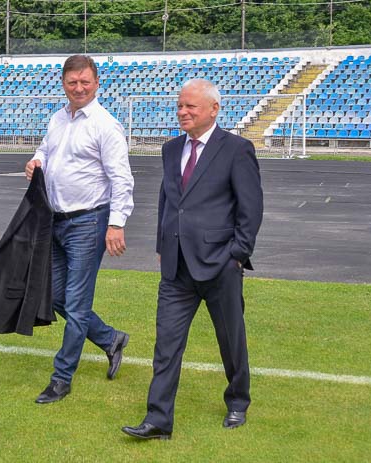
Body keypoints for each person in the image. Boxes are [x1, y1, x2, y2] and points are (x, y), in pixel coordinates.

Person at [121, 79, 263, 440]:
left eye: (191, 107)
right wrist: (161, 243)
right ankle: (158, 420)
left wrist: (237, 255)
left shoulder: (237, 149)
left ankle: (238, 401)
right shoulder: (171, 150)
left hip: (220, 265)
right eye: (180, 106)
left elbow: (250, 209)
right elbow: (169, 202)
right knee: (166, 344)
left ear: (213, 109)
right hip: (176, 266)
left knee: (231, 339)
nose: (183, 112)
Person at [24, 55, 135, 404]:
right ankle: (109, 338)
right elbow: (46, 151)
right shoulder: (58, 119)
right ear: (64, 83)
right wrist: (36, 161)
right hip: (54, 220)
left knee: (75, 301)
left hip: (89, 222)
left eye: (85, 81)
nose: (79, 88)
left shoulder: (105, 125)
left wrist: (116, 223)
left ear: (97, 83)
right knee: (57, 296)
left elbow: (122, 179)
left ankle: (61, 377)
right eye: (72, 82)